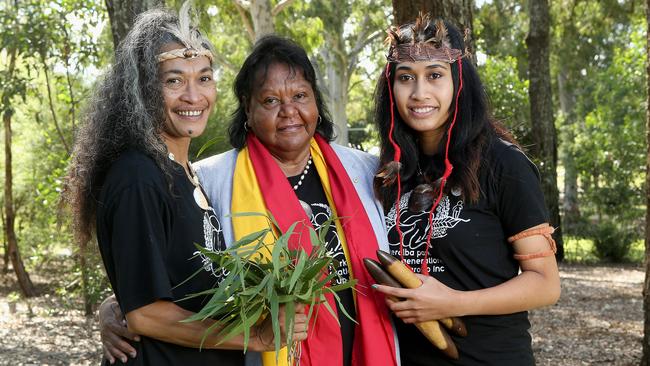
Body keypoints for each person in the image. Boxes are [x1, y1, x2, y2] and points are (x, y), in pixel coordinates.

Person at [98, 35, 399, 366]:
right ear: (247, 107)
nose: (289, 112)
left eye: (300, 96)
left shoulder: (365, 172)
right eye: (270, 101)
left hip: (368, 352)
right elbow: (166, 266)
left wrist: (128, 307)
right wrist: (119, 307)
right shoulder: (209, 179)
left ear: (316, 100)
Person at [62, 4, 306, 365]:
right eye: (174, 80)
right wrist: (253, 337)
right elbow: (145, 313)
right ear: (143, 89)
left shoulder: (187, 173)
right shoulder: (138, 176)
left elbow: (175, 285)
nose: (194, 96)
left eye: (204, 78)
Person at [370, 14, 561, 365]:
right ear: (391, 87)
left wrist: (453, 303)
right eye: (406, 78)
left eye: (435, 75)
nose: (419, 93)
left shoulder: (503, 164)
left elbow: (546, 284)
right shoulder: (387, 170)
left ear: (459, 81)